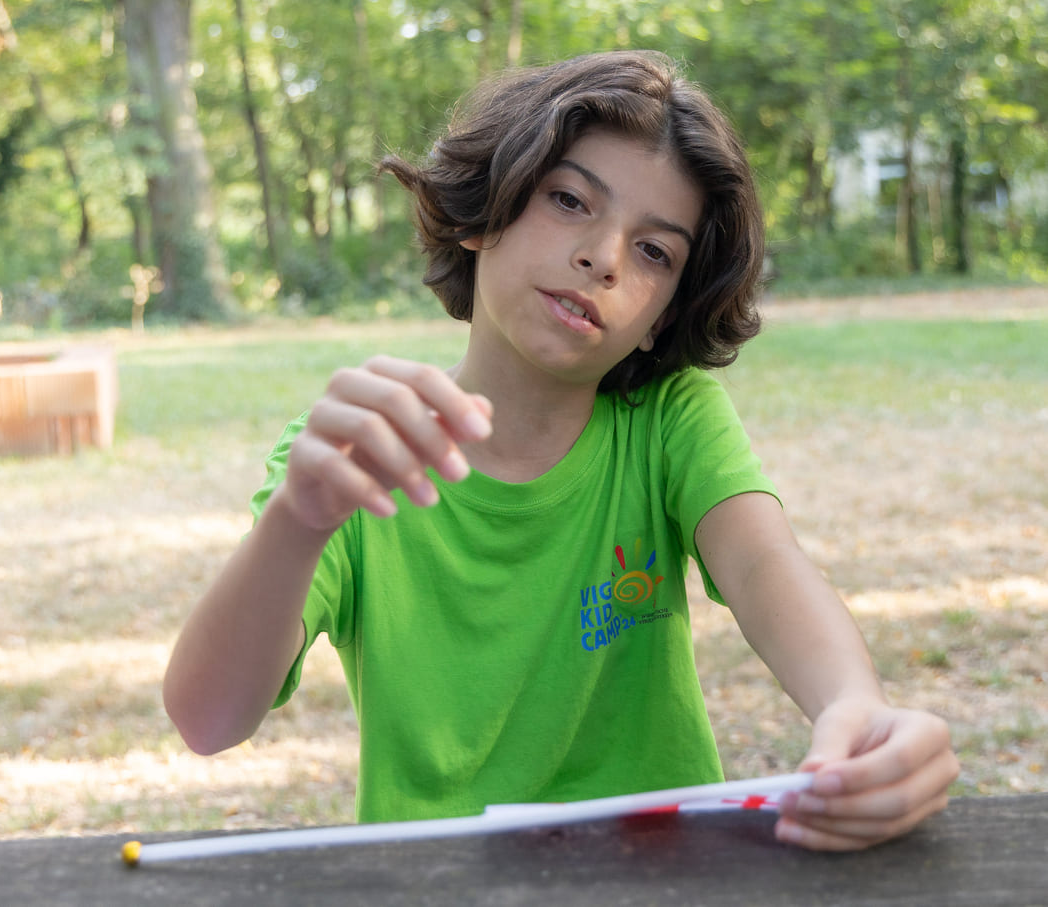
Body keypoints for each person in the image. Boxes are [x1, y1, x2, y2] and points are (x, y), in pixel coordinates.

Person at [163, 50, 958, 852]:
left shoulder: (669, 421)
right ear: (482, 210)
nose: (604, 256)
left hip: (656, 876)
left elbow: (762, 565)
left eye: (656, 252)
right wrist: (298, 522)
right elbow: (208, 719)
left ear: (663, 314)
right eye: (571, 200)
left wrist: (854, 704)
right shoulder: (352, 457)